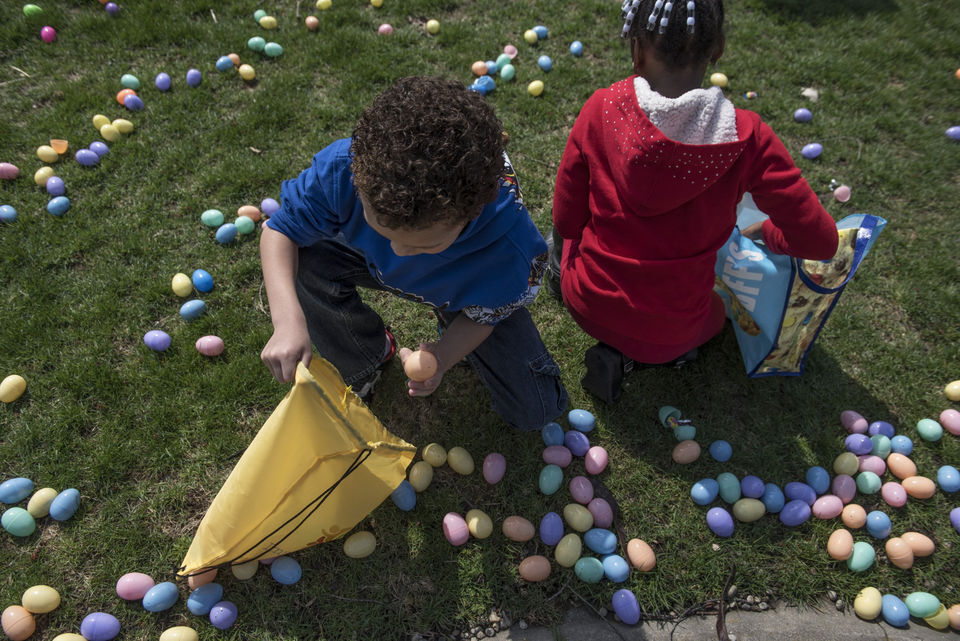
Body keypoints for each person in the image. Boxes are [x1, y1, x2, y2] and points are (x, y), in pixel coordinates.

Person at [547, 0, 839, 403]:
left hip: (585, 302)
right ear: (717, 48)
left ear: (636, 48)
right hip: (672, 331)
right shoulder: (749, 139)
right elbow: (822, 243)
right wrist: (770, 233)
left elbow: (565, 220)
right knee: (715, 316)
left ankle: (566, 290)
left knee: (561, 235)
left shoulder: (602, 107)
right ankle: (644, 359)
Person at [259, 76, 567, 430]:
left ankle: (453, 310)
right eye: (379, 228)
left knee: (536, 410)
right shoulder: (346, 170)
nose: (399, 253)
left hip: (474, 286)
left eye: (424, 245)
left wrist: (444, 355)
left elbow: (486, 316)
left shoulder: (507, 248)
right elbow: (279, 231)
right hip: (379, 262)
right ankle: (365, 355)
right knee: (302, 255)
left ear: (471, 214)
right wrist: (287, 322)